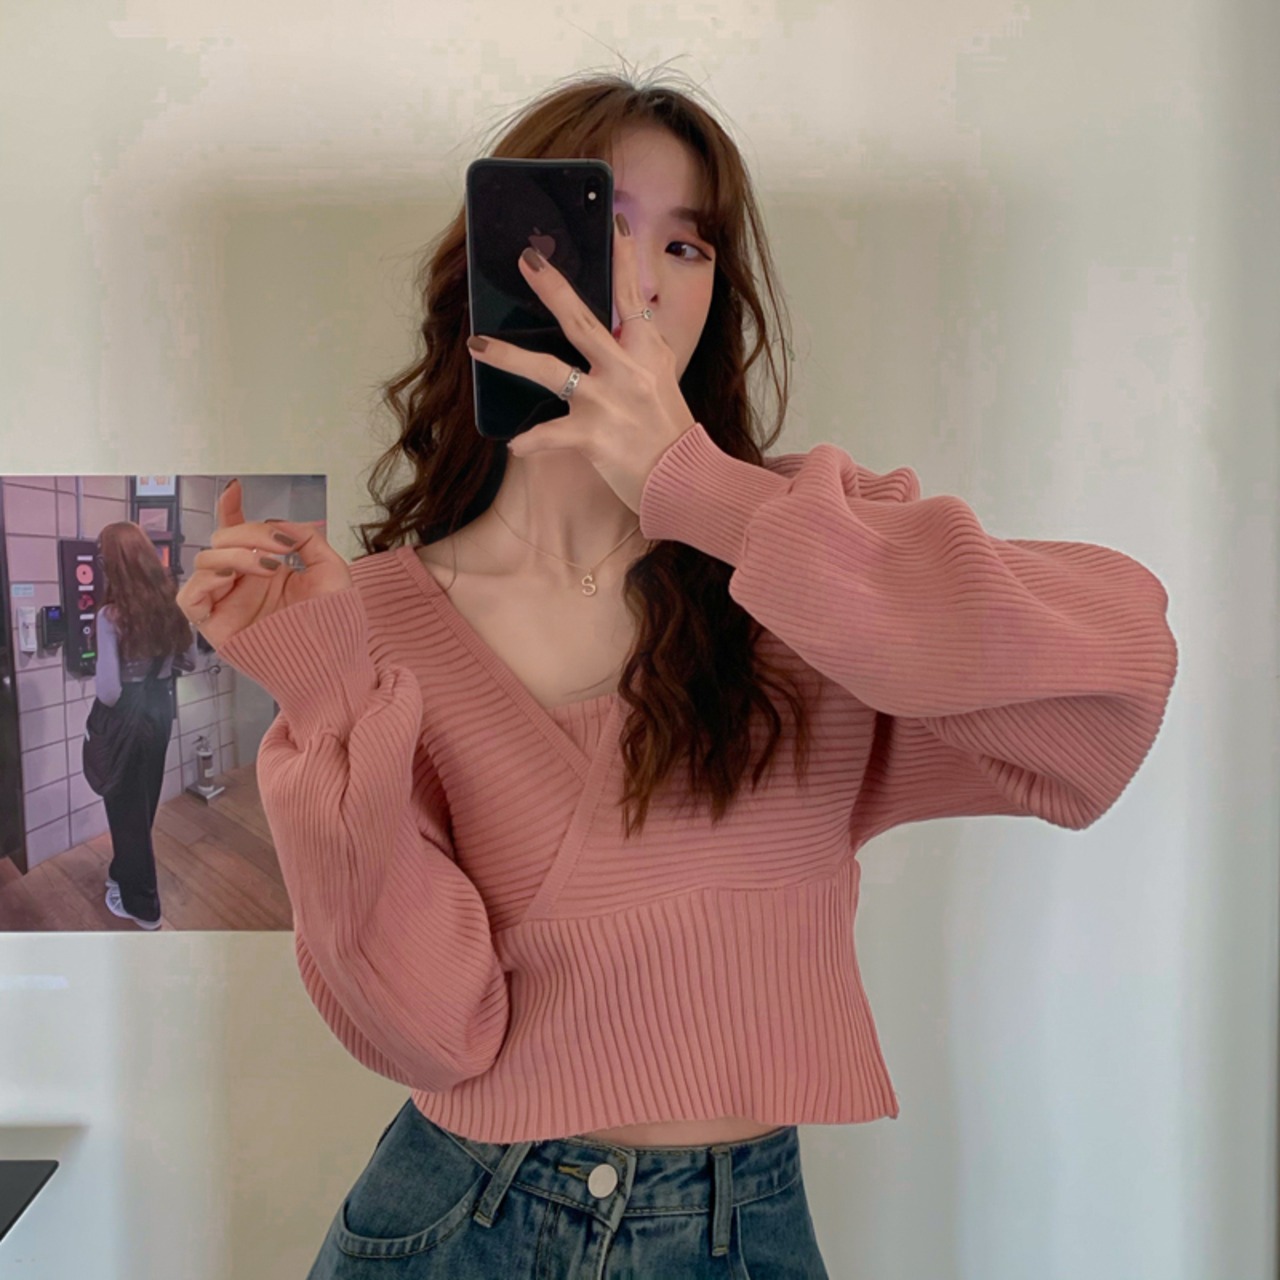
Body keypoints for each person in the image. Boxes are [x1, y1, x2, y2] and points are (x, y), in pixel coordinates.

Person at [177, 71, 1178, 1278]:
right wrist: (330, 694)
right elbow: (432, 1031)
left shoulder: (803, 557)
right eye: (595, 224)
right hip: (463, 1220)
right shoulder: (375, 622)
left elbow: (1109, 687)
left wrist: (695, 489)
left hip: (739, 1225)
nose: (641, 279)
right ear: (495, 265)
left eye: (685, 243)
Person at [94, 521, 198, 929]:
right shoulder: (173, 605)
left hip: (127, 718)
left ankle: (143, 905)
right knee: (143, 802)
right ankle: (123, 870)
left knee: (124, 807)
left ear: (113, 563)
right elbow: (189, 661)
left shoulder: (110, 617)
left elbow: (108, 691)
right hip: (160, 711)